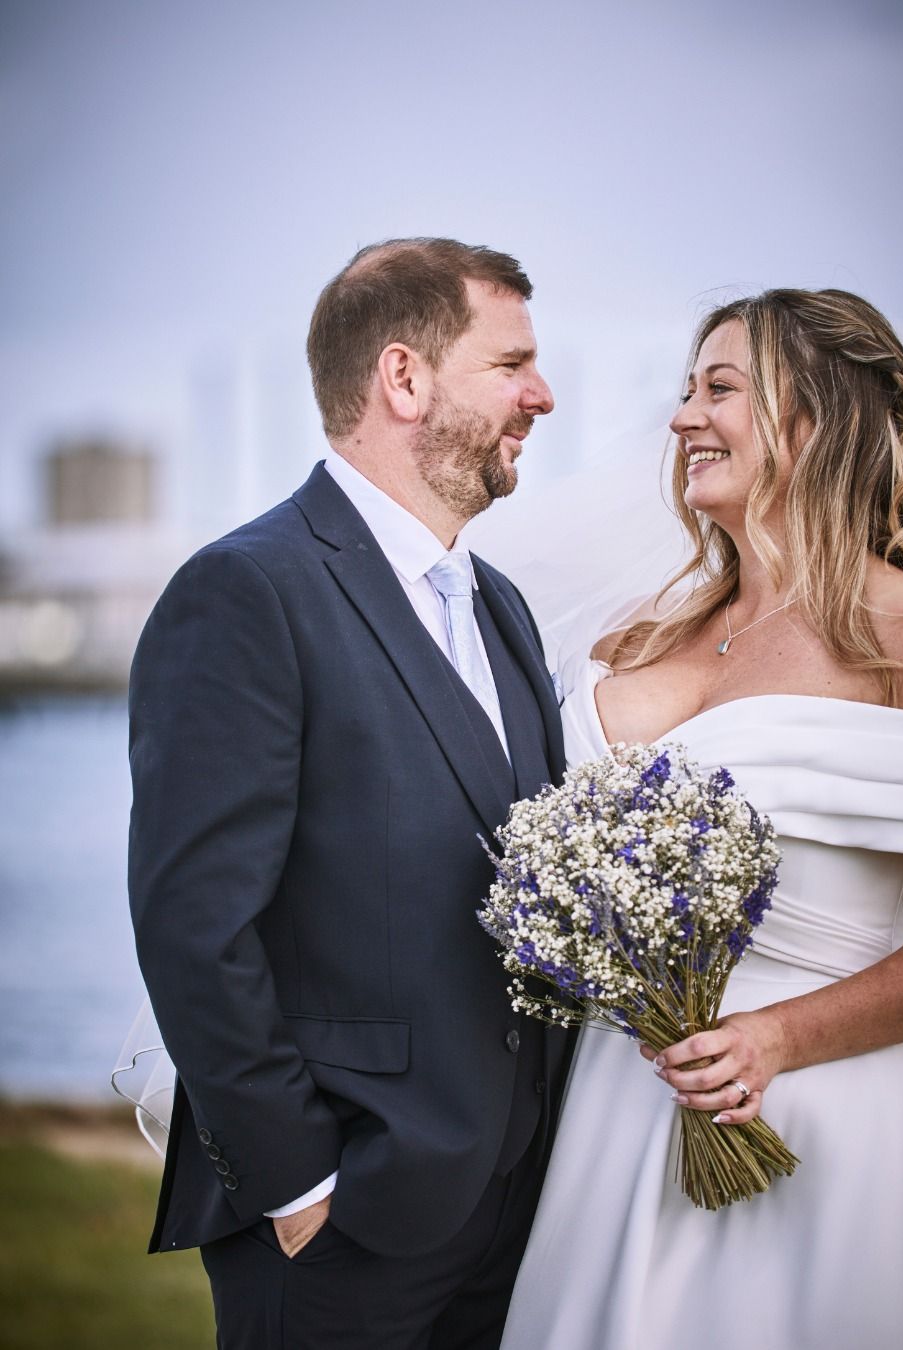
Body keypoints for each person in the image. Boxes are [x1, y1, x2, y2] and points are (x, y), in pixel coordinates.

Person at [499, 288, 903, 1350]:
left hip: (818, 1114)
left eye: (719, 389)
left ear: (820, 421)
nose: (680, 419)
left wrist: (776, 1038)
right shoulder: (643, 630)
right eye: (684, 390)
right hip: (618, 1112)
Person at [126, 237, 573, 1350]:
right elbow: (194, 927)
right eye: (511, 363)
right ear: (405, 377)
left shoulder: (501, 606)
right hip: (340, 1228)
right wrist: (298, 1192)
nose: (543, 395)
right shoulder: (246, 591)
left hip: (509, 1206)